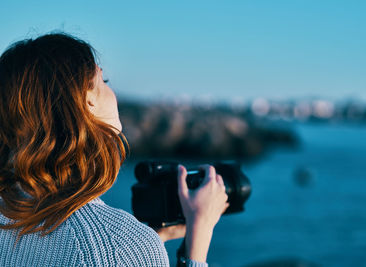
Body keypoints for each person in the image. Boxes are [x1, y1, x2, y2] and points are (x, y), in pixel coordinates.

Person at [0, 33, 228, 266]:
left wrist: (151, 241)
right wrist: (198, 236)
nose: (112, 92)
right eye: (104, 81)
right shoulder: (118, 247)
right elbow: (106, 253)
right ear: (87, 100)